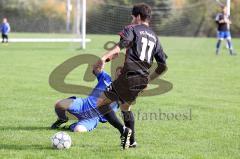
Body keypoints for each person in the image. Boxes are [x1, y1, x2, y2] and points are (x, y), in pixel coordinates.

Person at [95, 3, 167, 150]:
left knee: (101, 104)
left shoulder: (132, 29)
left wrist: (103, 58)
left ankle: (124, 131)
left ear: (138, 17)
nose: (131, 20)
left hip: (128, 76)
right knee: (125, 107)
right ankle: (132, 141)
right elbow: (163, 65)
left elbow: (120, 46)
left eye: (133, 17)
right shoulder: (155, 37)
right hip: (141, 80)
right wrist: (148, 80)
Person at [50, 62, 137, 148]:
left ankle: (71, 126)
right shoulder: (106, 78)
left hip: (93, 118)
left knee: (78, 130)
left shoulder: (124, 92)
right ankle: (62, 119)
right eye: (118, 73)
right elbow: (95, 69)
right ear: (115, 74)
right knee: (59, 104)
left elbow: (126, 109)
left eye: (122, 74)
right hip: (83, 104)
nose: (119, 75)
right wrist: (101, 62)